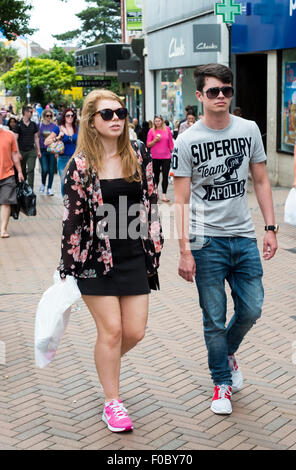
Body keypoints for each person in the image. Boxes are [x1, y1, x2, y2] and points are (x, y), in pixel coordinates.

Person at [173, 63, 278, 416]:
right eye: (214, 91)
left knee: (252, 308)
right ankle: (221, 382)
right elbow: (181, 200)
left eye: (227, 90)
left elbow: (261, 181)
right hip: (206, 242)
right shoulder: (186, 141)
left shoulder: (249, 130)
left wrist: (270, 227)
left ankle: (227, 352)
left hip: (244, 236)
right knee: (213, 318)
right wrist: (184, 249)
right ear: (200, 95)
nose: (221, 97)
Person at [58, 89, 163, 433]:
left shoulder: (138, 152)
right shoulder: (81, 165)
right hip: (94, 258)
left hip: (133, 255)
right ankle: (112, 402)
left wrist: (155, 245)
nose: (116, 119)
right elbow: (72, 219)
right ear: (92, 121)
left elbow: (150, 202)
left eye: (120, 113)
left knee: (134, 331)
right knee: (112, 330)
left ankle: (106, 365)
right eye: (107, 114)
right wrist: (68, 267)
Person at [44, 107, 79, 196]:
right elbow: (46, 142)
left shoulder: (77, 129)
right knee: (64, 182)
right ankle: (66, 202)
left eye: (72, 115)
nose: (70, 117)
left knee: (75, 182)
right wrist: (58, 138)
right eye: (68, 115)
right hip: (63, 159)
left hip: (75, 159)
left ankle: (74, 203)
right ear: (64, 117)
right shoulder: (58, 129)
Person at [0, 113, 24, 238]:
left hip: (7, 174)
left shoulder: (9, 135)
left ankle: (3, 229)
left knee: (6, 202)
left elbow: (15, 155)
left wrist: (19, 171)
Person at [147, 115, 174, 202]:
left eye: (159, 121)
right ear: (154, 122)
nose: (157, 122)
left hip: (166, 156)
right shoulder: (151, 131)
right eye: (156, 121)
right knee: (156, 176)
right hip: (155, 156)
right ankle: (155, 193)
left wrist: (172, 151)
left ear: (162, 121)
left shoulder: (167, 129)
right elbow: (148, 144)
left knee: (165, 176)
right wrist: (155, 140)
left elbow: (171, 142)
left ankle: (164, 195)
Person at [14, 105, 41, 190]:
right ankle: (22, 188)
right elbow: (15, 140)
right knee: (21, 171)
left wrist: (38, 150)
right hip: (21, 151)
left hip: (31, 151)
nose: (32, 113)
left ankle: (30, 189)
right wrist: (17, 152)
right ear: (25, 112)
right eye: (30, 112)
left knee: (31, 169)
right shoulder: (18, 125)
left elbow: (36, 138)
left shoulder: (33, 125)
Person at [39, 109, 57, 196]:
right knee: (44, 169)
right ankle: (43, 184)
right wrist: (38, 150)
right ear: (44, 116)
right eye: (47, 115)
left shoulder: (54, 126)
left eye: (50, 116)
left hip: (52, 151)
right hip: (43, 150)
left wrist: (57, 151)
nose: (49, 117)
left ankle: (49, 188)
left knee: (51, 171)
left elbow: (58, 138)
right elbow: (37, 138)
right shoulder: (39, 126)